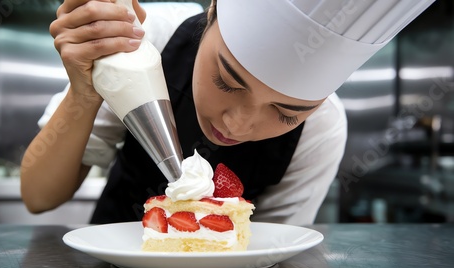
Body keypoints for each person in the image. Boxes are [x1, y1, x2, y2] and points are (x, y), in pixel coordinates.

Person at [21, 0, 433, 225]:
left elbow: (272, 255)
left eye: (287, 113)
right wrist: (85, 92)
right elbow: (39, 197)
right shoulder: (148, 44)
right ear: (212, 11)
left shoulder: (322, 131)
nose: (235, 124)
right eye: (226, 81)